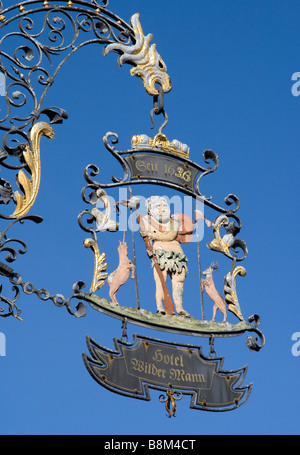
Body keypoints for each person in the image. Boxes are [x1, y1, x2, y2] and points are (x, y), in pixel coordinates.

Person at [139, 196, 190, 317]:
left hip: (177, 255)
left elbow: (170, 235)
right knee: (161, 280)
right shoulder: (148, 223)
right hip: (160, 253)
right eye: (158, 206)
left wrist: (152, 235)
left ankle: (179, 307)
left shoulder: (173, 223)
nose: (162, 209)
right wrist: (149, 250)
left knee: (179, 280)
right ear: (150, 210)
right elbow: (148, 242)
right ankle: (160, 307)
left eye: (164, 205)